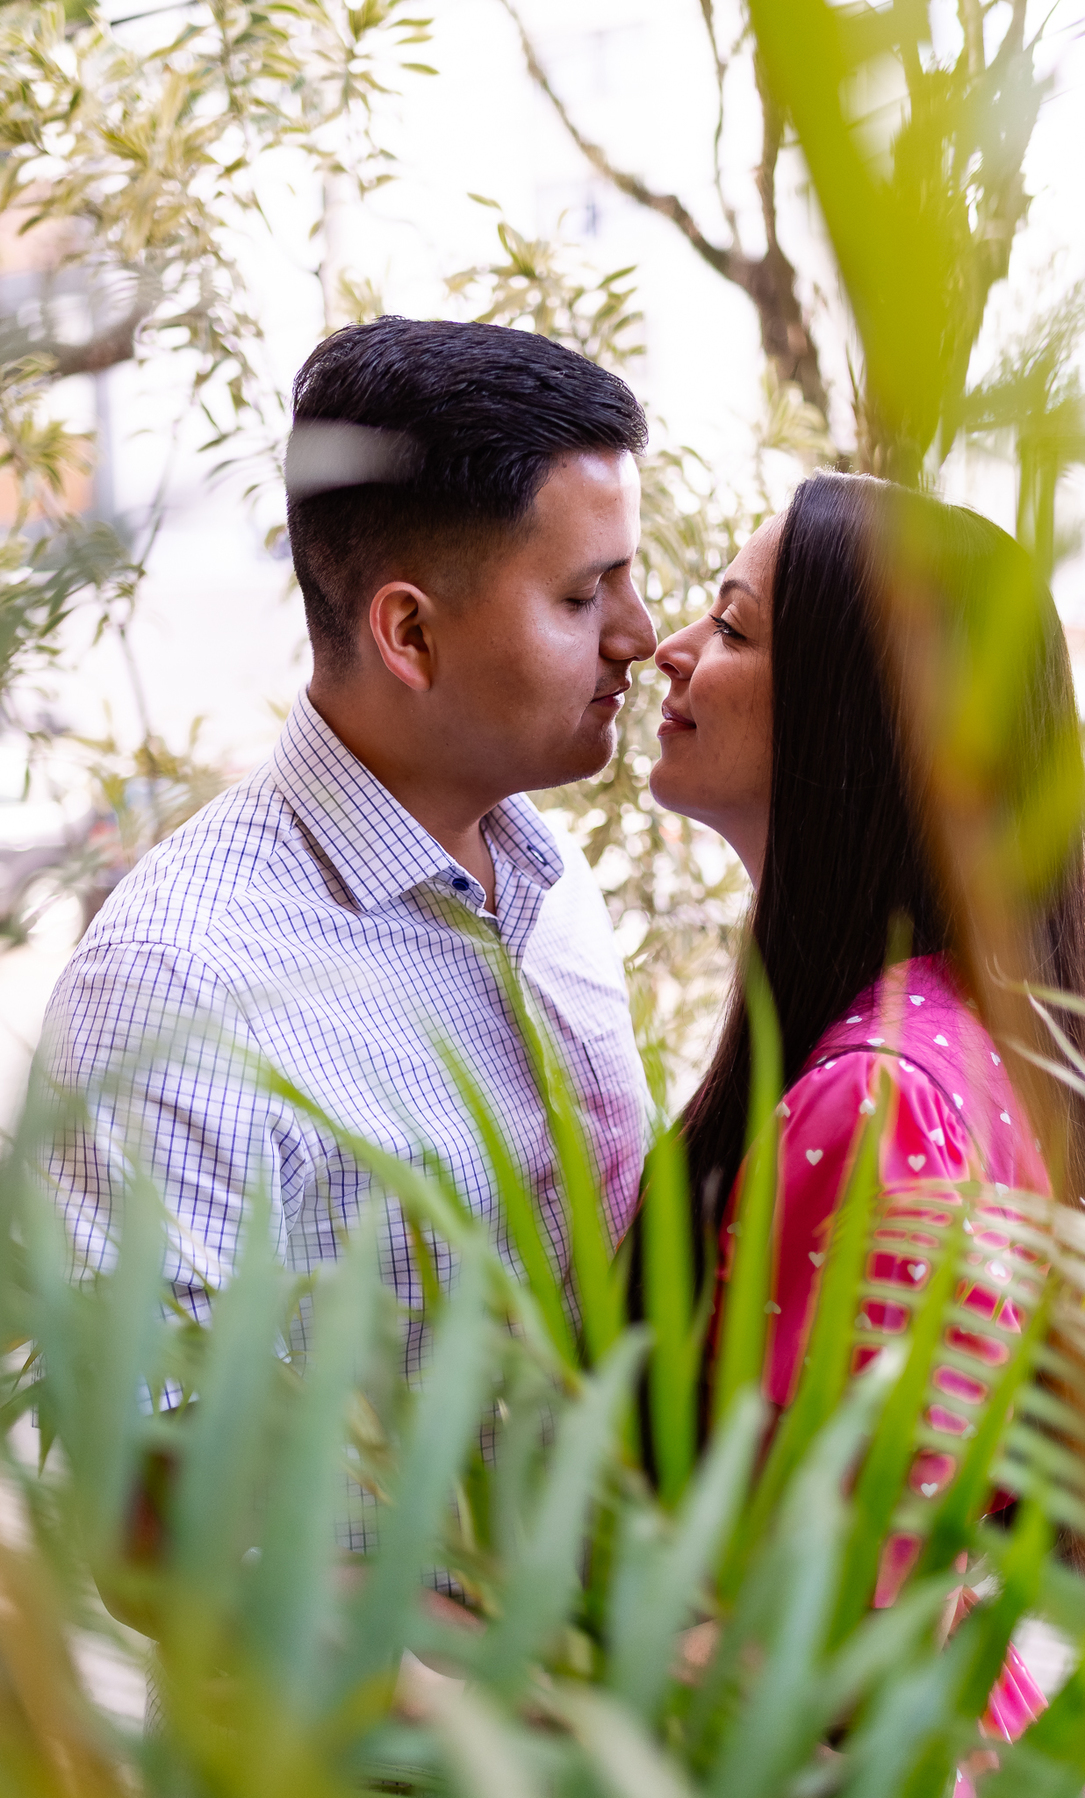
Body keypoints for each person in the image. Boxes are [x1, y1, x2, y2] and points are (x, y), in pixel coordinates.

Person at [40, 317, 656, 1430]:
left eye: (630, 580)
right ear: (408, 635)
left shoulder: (545, 869)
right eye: (582, 597)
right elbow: (150, 1485)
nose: (641, 634)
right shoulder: (178, 987)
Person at [650, 470, 1085, 1758]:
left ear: (861, 719)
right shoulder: (963, 1031)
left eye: (733, 627)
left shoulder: (877, 1097)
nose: (669, 649)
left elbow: (821, 1639)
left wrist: (442, 1670)